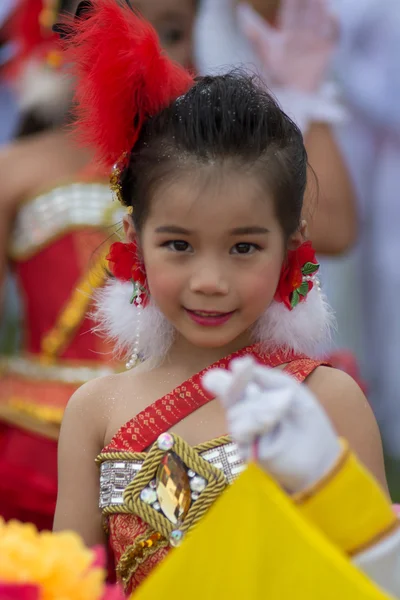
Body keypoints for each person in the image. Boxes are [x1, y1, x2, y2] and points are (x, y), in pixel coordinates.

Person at [52, 1, 388, 593]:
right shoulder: (95, 410)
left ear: (290, 246)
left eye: (243, 248)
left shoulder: (325, 401)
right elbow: (62, 582)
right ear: (134, 240)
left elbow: (377, 577)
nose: (210, 280)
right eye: (179, 244)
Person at [0, 0, 199, 531]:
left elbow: (333, 228)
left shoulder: (210, 172)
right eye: (120, 31)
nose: (149, 52)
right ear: (69, 39)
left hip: (174, 443)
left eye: (174, 32)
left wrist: (305, 93)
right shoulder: (16, 169)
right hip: (33, 453)